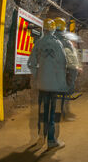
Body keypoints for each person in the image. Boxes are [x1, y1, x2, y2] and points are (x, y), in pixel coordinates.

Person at [28, 18, 68, 149]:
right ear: (53, 29)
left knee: (42, 111)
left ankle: (41, 136)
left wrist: (38, 76)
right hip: (54, 85)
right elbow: (63, 63)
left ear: (43, 29)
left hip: (42, 84)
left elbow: (31, 63)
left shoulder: (38, 43)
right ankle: (51, 140)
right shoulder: (58, 44)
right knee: (52, 113)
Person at [54, 17, 79, 90]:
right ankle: (68, 90)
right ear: (64, 28)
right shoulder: (66, 42)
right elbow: (72, 62)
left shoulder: (45, 39)